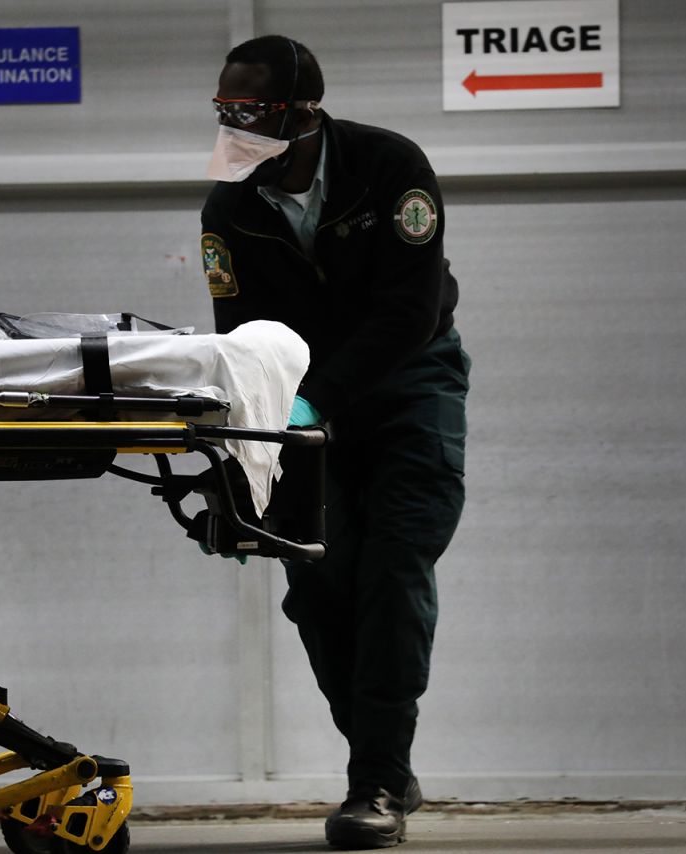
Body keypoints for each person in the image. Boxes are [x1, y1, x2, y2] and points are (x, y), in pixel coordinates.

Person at [200, 35, 469, 850]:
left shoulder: (389, 168)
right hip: (295, 407)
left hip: (408, 387)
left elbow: (408, 314)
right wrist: (243, 476)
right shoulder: (231, 206)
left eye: (251, 109)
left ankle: (377, 784)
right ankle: (381, 759)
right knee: (317, 583)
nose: (235, 124)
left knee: (394, 567)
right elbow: (240, 339)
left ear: (304, 111)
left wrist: (322, 395)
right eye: (225, 109)